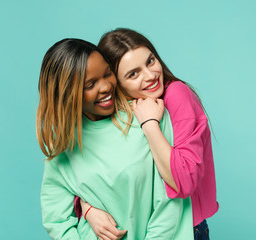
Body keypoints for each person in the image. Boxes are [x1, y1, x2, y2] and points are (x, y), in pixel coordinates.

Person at [37, 38, 193, 239]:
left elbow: (169, 202)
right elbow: (56, 219)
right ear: (68, 94)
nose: (105, 87)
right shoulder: (63, 144)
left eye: (107, 73)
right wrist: (88, 209)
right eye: (90, 84)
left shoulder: (145, 115)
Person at [76, 28, 219, 240]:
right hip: (139, 231)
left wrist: (150, 124)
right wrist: (88, 209)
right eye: (133, 74)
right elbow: (91, 175)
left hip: (184, 230)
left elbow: (184, 182)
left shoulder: (177, 95)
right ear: (117, 83)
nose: (151, 75)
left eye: (150, 61)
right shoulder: (118, 111)